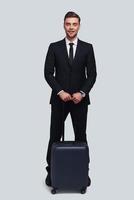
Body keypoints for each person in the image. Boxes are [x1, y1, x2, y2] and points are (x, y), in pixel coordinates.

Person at [44, 11, 97, 187]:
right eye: (68, 24)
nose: (71, 27)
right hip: (59, 99)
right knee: (54, 136)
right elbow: (48, 73)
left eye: (74, 24)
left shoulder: (88, 48)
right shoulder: (54, 47)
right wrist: (60, 91)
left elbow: (92, 75)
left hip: (79, 101)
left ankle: (83, 172)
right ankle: (51, 173)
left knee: (81, 136)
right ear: (64, 25)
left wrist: (82, 93)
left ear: (79, 25)